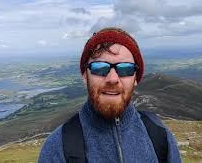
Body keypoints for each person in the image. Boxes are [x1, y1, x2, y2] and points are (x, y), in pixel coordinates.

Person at [38, 27, 181, 163]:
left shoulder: (159, 135)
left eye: (125, 69)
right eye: (100, 68)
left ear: (136, 78)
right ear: (84, 76)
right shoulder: (58, 146)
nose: (112, 79)